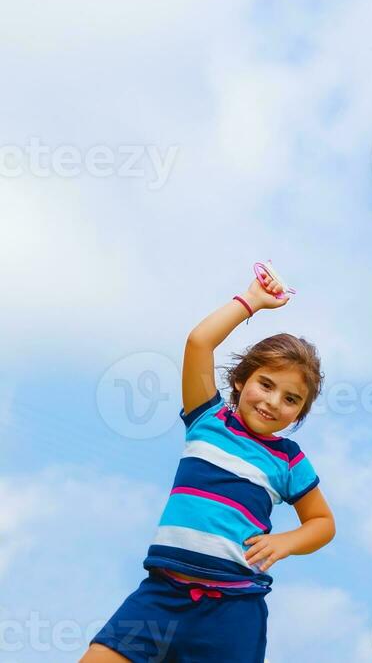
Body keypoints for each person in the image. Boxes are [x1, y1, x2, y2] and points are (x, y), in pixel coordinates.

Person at [81, 267, 335, 662]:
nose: (272, 402)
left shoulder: (289, 459)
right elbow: (199, 342)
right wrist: (251, 301)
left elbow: (322, 523)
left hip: (232, 612)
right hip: (161, 596)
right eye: (266, 384)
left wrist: (285, 542)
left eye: (291, 399)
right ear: (240, 380)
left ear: (299, 412)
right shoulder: (207, 419)